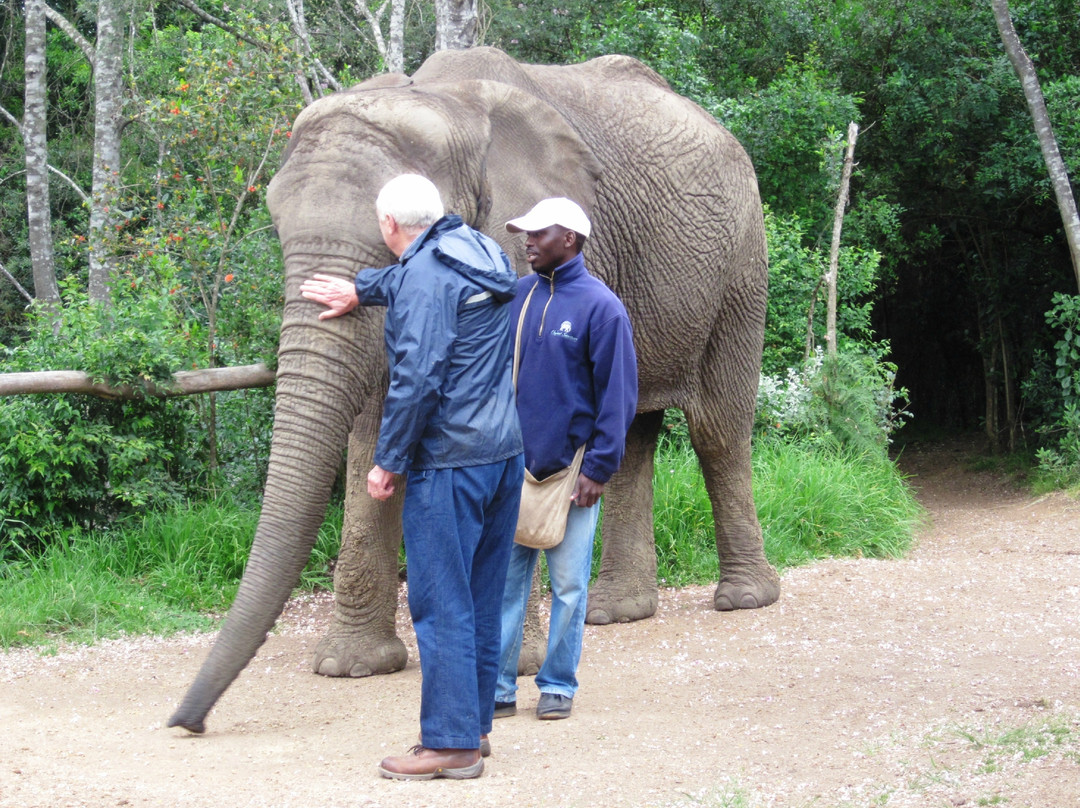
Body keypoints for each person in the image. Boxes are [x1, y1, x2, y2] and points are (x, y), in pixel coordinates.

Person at [299, 174, 524, 780]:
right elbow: (420, 278)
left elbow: (419, 375)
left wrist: (388, 459)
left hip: (450, 460)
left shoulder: (426, 274)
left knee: (440, 600)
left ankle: (449, 744)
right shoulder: (478, 249)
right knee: (478, 595)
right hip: (503, 454)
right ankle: (474, 726)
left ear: (388, 226)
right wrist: (364, 289)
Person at [495, 197, 638, 721]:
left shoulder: (602, 308)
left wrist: (598, 470)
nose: (527, 241)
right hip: (512, 469)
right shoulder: (520, 294)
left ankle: (558, 683)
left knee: (571, 586)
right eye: (525, 233)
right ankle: (498, 687)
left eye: (538, 233)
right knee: (506, 584)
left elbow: (618, 396)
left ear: (570, 239)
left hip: (572, 471)